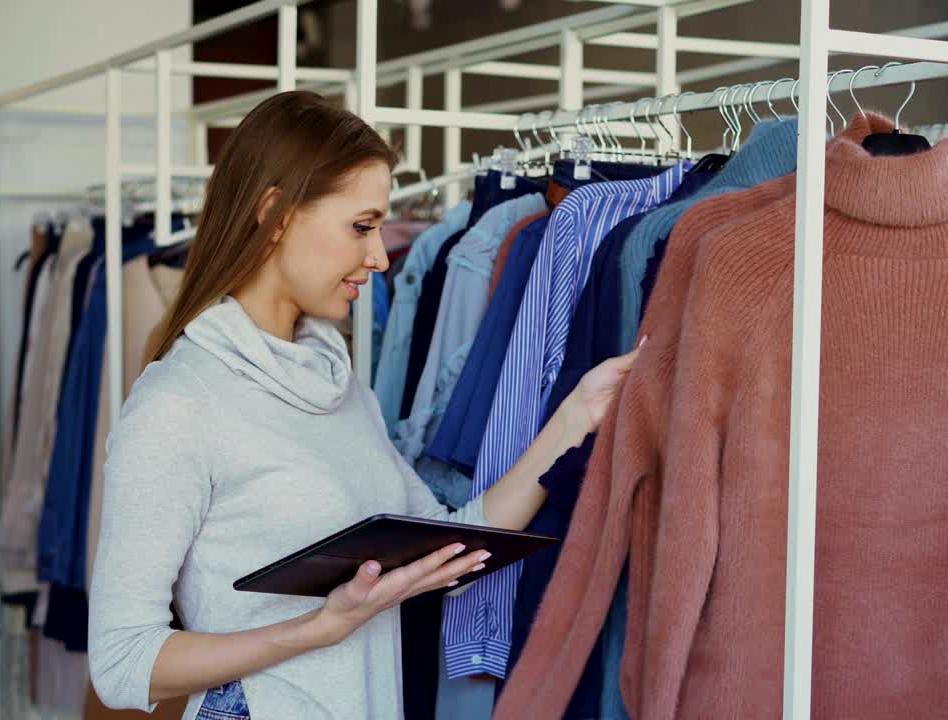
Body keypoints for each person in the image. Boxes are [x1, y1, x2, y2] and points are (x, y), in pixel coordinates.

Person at [87, 91, 640, 720]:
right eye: (361, 226)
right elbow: (123, 663)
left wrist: (574, 415)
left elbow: (448, 545)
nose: (379, 257)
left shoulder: (336, 382)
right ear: (276, 215)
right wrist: (321, 628)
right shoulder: (180, 402)